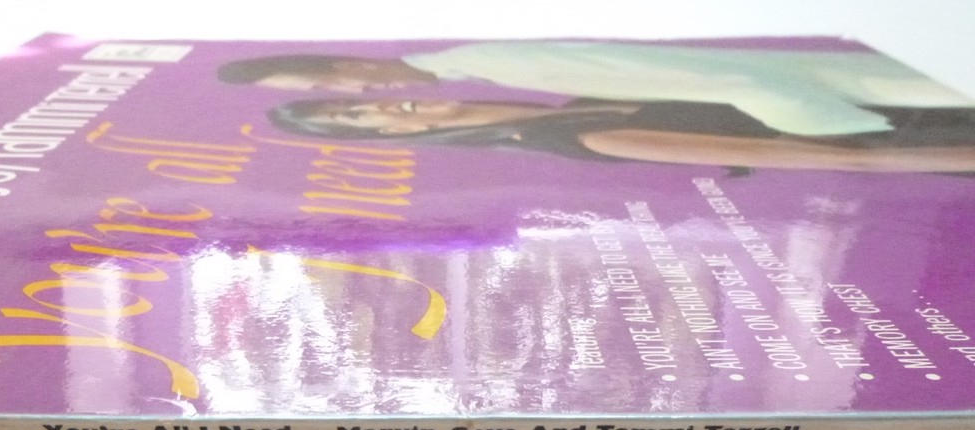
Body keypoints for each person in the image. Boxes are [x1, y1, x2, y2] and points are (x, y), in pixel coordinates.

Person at [220, 40, 975, 139]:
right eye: (346, 107)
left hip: (853, 86)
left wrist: (833, 124)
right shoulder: (489, 79)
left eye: (330, 79)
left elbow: (728, 78)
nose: (364, 92)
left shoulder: (497, 57)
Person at [265, 96, 975, 173]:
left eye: (355, 102)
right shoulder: (584, 134)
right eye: (358, 121)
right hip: (925, 134)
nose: (377, 106)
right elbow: (845, 162)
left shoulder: (570, 101)